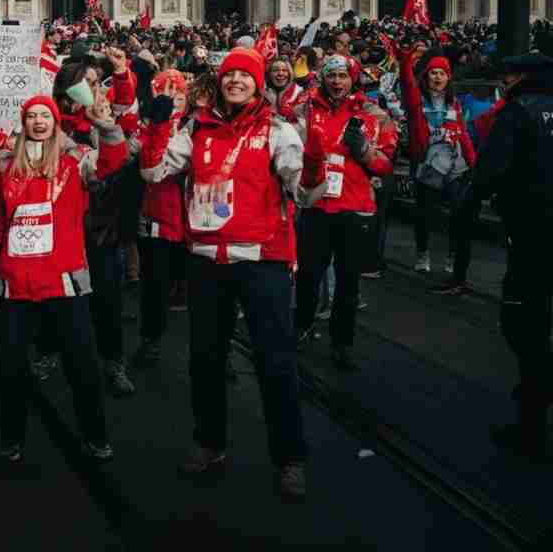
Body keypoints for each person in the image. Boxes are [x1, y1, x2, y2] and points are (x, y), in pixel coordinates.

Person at [139, 47, 320, 498]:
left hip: (263, 262)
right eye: (229, 75)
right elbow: (154, 172)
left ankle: (290, 457)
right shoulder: (194, 129)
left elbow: (304, 193)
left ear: (259, 84)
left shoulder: (278, 130)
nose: (235, 81)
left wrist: (313, 166)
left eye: (245, 75)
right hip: (206, 261)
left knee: (274, 362)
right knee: (205, 359)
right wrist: (158, 125)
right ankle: (209, 441)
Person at [0, 94, 126, 463]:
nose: (39, 121)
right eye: (32, 116)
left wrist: (106, 127)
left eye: (45, 115)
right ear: (23, 124)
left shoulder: (75, 162)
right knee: (9, 371)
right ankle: (11, 438)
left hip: (64, 283)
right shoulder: (5, 166)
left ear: (56, 122)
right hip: (16, 285)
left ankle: (95, 435)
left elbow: (113, 163)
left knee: (83, 367)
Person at [469, 54, 553, 461]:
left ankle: (533, 421)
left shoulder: (517, 114)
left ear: (520, 77)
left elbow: (488, 172)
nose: (503, 81)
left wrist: (474, 197)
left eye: (507, 74)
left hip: (533, 235)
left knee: (524, 324)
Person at [292, 55, 398, 371]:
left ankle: (342, 343)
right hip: (316, 205)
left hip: (355, 208)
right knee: (308, 274)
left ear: (354, 79)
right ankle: (301, 327)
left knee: (348, 282)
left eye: (343, 76)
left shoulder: (374, 115)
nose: (337, 82)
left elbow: (386, 164)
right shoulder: (306, 110)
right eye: (332, 76)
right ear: (322, 78)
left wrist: (364, 149)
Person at [399, 48, 476, 288]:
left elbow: (463, 133)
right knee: (424, 214)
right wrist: (404, 63)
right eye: (433, 73)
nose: (438, 77)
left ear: (449, 77)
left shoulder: (455, 103)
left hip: (455, 164)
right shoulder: (417, 101)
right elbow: (408, 86)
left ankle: (453, 257)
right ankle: (423, 253)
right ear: (426, 76)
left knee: (457, 212)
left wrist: (474, 162)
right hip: (427, 164)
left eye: (442, 73)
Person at [132, 69, 189, 368]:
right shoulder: (146, 126)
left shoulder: (197, 125)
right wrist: (160, 122)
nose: (172, 101)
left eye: (178, 96)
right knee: (154, 287)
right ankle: (150, 339)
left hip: (195, 224)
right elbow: (149, 168)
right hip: (158, 221)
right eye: (165, 94)